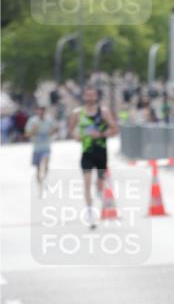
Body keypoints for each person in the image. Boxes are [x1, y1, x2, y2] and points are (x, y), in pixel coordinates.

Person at [68, 84, 118, 228]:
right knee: (87, 182)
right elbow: (71, 129)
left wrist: (101, 134)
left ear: (96, 97)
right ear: (84, 96)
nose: (90, 98)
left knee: (100, 185)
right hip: (87, 153)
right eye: (87, 95)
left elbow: (114, 129)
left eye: (92, 95)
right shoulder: (78, 113)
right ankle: (90, 212)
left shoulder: (103, 112)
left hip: (101, 152)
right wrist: (76, 136)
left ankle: (99, 191)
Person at [26, 105, 58, 191]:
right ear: (36, 111)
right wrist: (33, 130)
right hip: (36, 148)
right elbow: (27, 134)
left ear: (44, 112)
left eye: (42, 111)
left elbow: (56, 128)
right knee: (38, 169)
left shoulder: (49, 120)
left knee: (46, 163)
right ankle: (40, 185)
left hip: (46, 146)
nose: (40, 113)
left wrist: (52, 131)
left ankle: (45, 178)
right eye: (39, 111)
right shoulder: (32, 121)